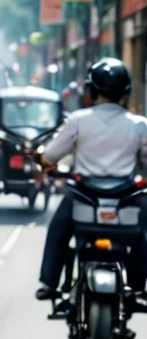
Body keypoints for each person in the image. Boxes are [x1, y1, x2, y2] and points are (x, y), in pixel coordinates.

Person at [36, 57, 147, 306]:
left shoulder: (78, 120)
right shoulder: (140, 125)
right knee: (142, 233)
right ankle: (139, 289)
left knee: (59, 230)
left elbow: (50, 155)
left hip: (85, 195)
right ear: (125, 92)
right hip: (125, 198)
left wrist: (43, 161)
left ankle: (49, 284)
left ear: (91, 90)